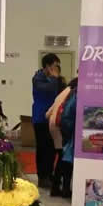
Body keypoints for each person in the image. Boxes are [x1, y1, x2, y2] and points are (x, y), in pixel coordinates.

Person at [32, 53, 62, 189]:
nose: (57, 69)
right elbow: (47, 89)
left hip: (52, 118)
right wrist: (55, 78)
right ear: (48, 66)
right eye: (55, 66)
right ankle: (42, 177)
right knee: (43, 149)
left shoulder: (52, 79)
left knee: (51, 149)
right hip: (40, 119)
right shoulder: (38, 78)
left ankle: (49, 175)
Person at [57, 77, 78, 198]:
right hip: (71, 132)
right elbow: (67, 116)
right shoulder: (75, 94)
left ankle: (65, 188)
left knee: (66, 160)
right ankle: (65, 188)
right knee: (67, 161)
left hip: (69, 131)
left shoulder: (71, 93)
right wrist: (69, 132)